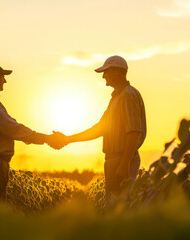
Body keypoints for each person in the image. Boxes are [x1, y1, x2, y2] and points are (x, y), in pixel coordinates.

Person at [52, 55, 146, 206]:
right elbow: (100, 128)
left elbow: (134, 132)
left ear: (118, 72)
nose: (103, 76)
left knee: (120, 206)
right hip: (115, 159)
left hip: (122, 158)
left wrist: (124, 164)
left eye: (106, 72)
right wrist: (67, 139)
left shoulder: (127, 95)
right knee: (114, 205)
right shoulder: (116, 98)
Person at [0, 63, 57, 200]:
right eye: (2, 77)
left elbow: (10, 127)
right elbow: (10, 128)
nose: (5, 80)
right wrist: (45, 138)